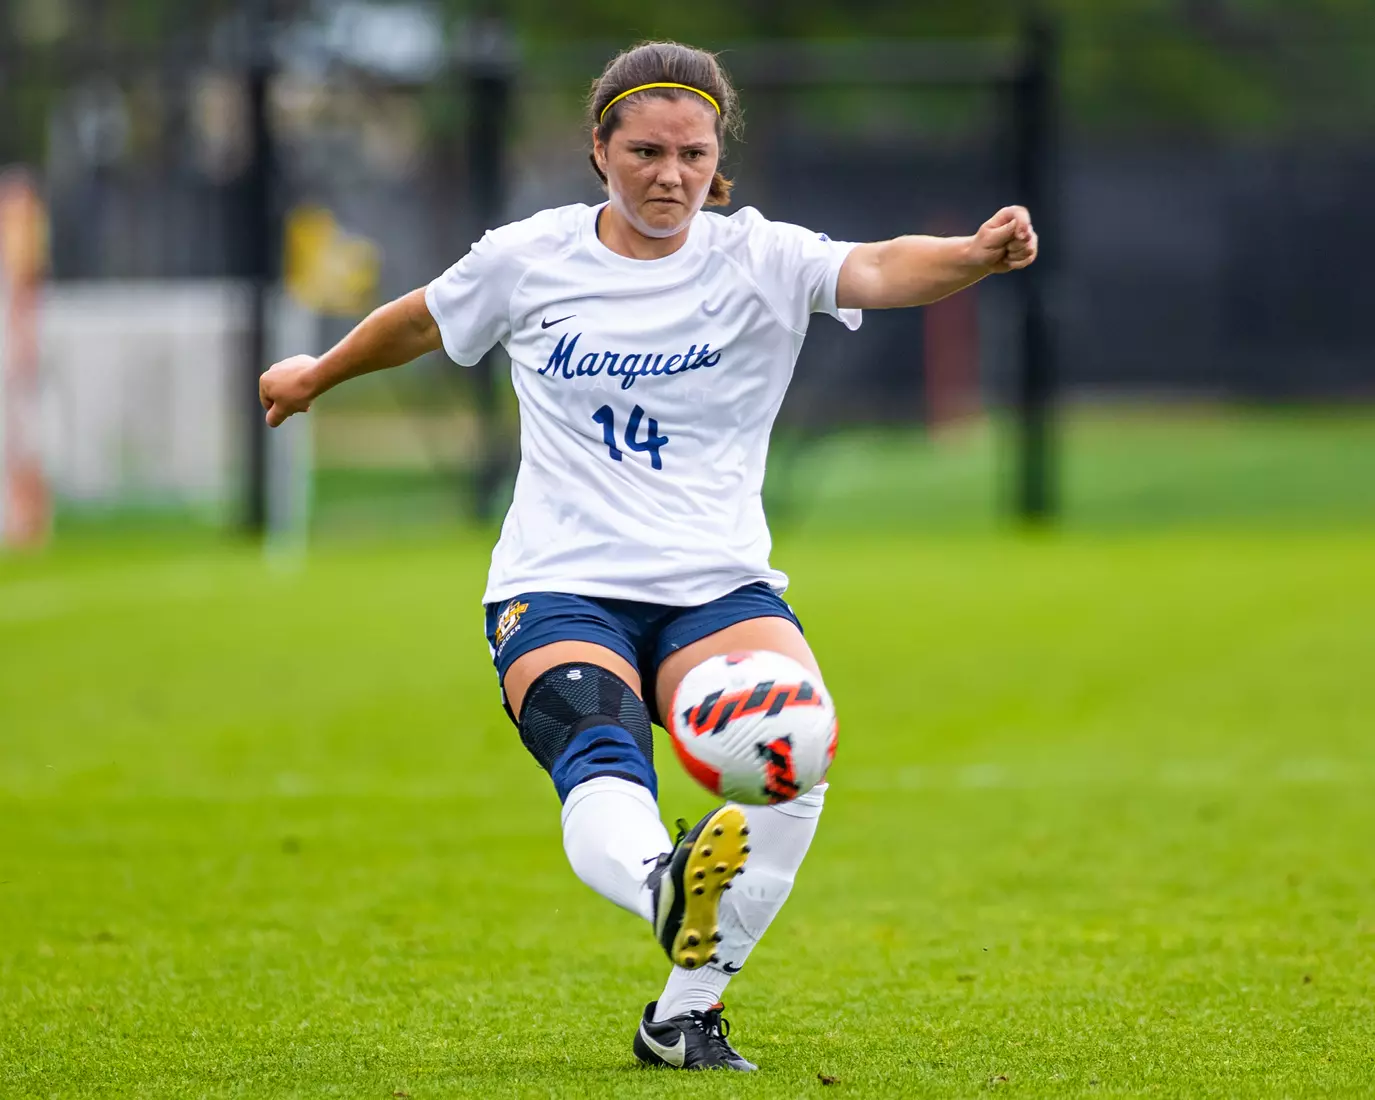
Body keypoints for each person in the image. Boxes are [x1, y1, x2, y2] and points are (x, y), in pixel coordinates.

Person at [259, 40, 1038, 1072]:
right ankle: (656, 881)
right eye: (644, 150)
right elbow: (422, 321)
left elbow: (884, 264)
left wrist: (975, 254)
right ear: (599, 149)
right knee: (598, 744)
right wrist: (318, 371)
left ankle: (683, 1012)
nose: (667, 175)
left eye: (690, 153)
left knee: (794, 753)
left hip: (714, 582)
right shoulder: (528, 257)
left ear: (718, 162)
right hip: (558, 581)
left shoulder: (757, 256)